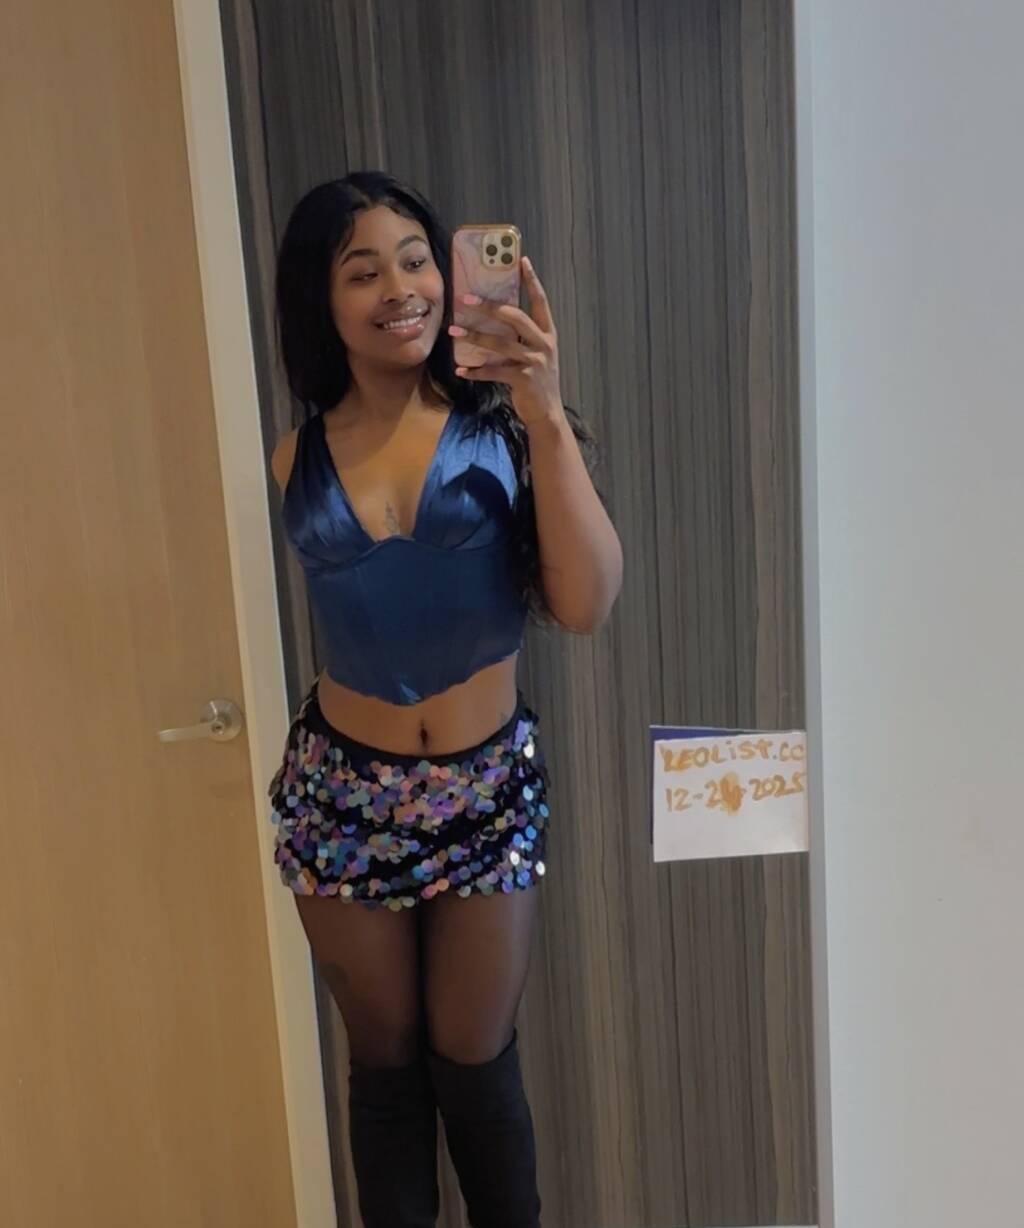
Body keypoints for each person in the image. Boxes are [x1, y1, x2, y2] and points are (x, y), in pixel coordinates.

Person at [267, 171, 622, 1228]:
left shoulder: (506, 432)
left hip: (485, 791)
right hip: (342, 794)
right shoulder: (294, 456)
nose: (400, 288)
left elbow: (587, 602)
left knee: (476, 1062)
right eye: (362, 270)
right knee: (383, 1070)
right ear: (322, 299)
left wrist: (543, 407)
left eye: (416, 259)